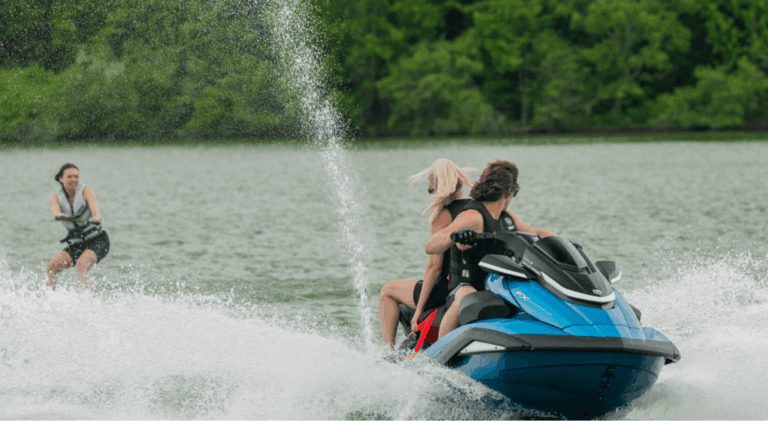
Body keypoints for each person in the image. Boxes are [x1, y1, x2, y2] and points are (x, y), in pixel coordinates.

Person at [425, 160, 553, 339]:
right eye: (515, 193)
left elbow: (537, 232)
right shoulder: (473, 216)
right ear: (509, 192)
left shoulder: (507, 218)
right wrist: (454, 236)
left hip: (496, 285)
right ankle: (438, 357)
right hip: (466, 286)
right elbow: (431, 246)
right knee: (466, 295)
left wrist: (561, 244)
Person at [378, 159, 472, 348]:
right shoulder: (476, 210)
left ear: (440, 186)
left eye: (431, 190)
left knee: (388, 290)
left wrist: (420, 310)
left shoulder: (443, 215)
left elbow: (434, 268)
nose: (432, 194)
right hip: (468, 285)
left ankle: (386, 350)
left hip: (444, 290)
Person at [46, 164, 110, 291]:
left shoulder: (86, 192)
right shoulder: (55, 198)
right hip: (79, 243)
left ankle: (82, 300)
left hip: (98, 240)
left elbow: (96, 211)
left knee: (82, 264)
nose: (73, 179)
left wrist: (95, 217)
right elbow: (55, 212)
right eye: (69, 176)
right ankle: (48, 298)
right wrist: (59, 215)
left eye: (76, 176)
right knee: (52, 266)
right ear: (61, 179)